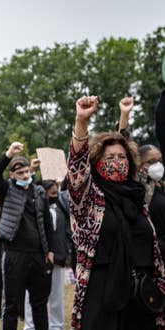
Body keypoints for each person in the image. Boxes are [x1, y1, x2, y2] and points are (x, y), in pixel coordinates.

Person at [68, 95, 165, 330]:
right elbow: (77, 167)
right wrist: (81, 122)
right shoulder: (89, 199)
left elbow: (126, 145)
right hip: (102, 294)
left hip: (141, 294)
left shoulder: (136, 197)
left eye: (121, 158)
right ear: (97, 163)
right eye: (110, 157)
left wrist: (124, 117)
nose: (117, 161)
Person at [0, 142, 54, 330]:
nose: (25, 176)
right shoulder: (6, 191)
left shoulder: (39, 192)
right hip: (14, 255)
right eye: (20, 173)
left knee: (40, 305)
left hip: (38, 256)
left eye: (27, 172)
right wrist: (8, 154)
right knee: (12, 306)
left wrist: (50, 250)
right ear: (12, 175)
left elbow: (48, 223)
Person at [23, 180, 72, 330]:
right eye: (51, 193)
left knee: (56, 295)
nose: (54, 196)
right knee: (32, 296)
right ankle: (30, 325)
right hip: (37, 259)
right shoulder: (33, 210)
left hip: (57, 258)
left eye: (55, 193)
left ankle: (56, 325)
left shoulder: (61, 209)